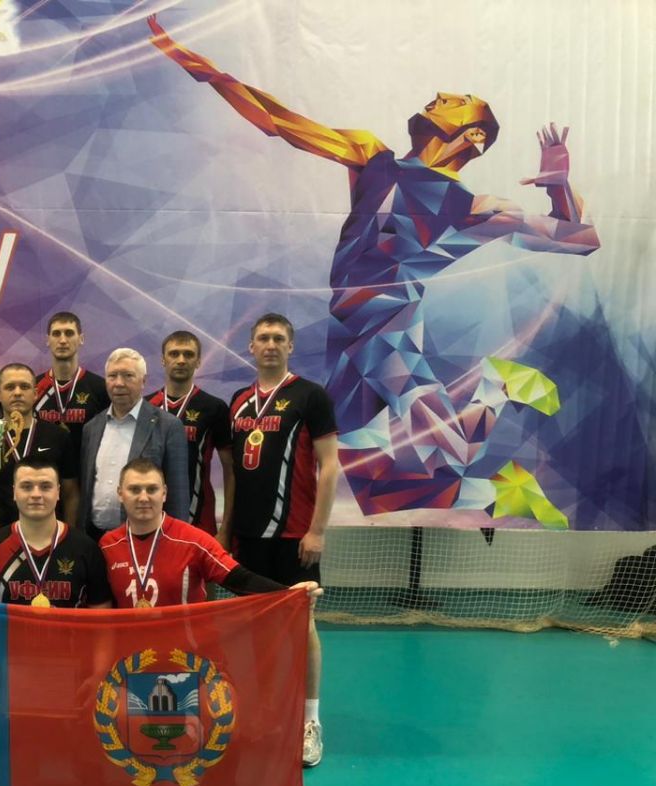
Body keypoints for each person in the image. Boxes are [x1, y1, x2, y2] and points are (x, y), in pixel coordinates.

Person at [150, 16, 599, 527]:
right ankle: (506, 484)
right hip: (347, 333)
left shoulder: (475, 207)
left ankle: (497, 386)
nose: (441, 94)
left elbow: (580, 239)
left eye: (458, 99)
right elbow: (278, 121)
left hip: (391, 332)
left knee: (445, 453)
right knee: (375, 486)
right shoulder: (372, 157)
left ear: (474, 134)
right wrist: (203, 69)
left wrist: (559, 185)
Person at [99, 458, 323, 786]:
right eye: (134, 489)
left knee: (225, 721)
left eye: (151, 489)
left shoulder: (193, 540)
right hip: (134, 668)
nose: (143, 497)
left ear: (165, 493)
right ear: (120, 494)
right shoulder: (107, 545)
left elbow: (238, 579)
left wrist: (288, 592)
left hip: (195, 664)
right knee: (102, 718)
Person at [224, 313, 338, 771]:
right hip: (249, 537)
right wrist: (228, 529)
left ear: (290, 346)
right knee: (254, 627)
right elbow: (234, 472)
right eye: (263, 338)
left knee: (302, 625)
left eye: (278, 338)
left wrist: (318, 530)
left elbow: (330, 466)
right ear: (251, 347)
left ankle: (309, 721)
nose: (270, 345)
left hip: (294, 536)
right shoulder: (238, 401)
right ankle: (264, 713)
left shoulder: (310, 396)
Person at [0, 457, 112, 608]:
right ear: (14, 492)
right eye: (26, 487)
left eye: (45, 487)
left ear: (58, 492)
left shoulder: (86, 549)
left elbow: (101, 614)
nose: (36, 494)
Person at [78, 347, 189, 540]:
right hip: (94, 538)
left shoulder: (168, 426)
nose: (119, 383)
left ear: (143, 381)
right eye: (112, 376)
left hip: (146, 538)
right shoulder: (91, 428)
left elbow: (178, 495)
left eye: (128, 376)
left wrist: (176, 542)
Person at [0, 363, 79, 529]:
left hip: (45, 531)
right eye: (10, 387)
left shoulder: (58, 436)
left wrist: (69, 533)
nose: (17, 393)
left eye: (24, 387)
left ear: (35, 394)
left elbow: (70, 493)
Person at [146, 331, 233, 536]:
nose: (181, 360)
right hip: (150, 514)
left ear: (198, 361)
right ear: (163, 360)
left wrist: (225, 530)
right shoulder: (145, 407)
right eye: (174, 354)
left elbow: (230, 469)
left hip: (199, 516)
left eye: (188, 354)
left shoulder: (214, 407)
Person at [34, 311, 109, 454]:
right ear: (48, 340)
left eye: (69, 333)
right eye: (56, 334)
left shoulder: (101, 388)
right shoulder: (34, 387)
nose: (62, 340)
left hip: (86, 466)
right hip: (45, 466)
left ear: (81, 339)